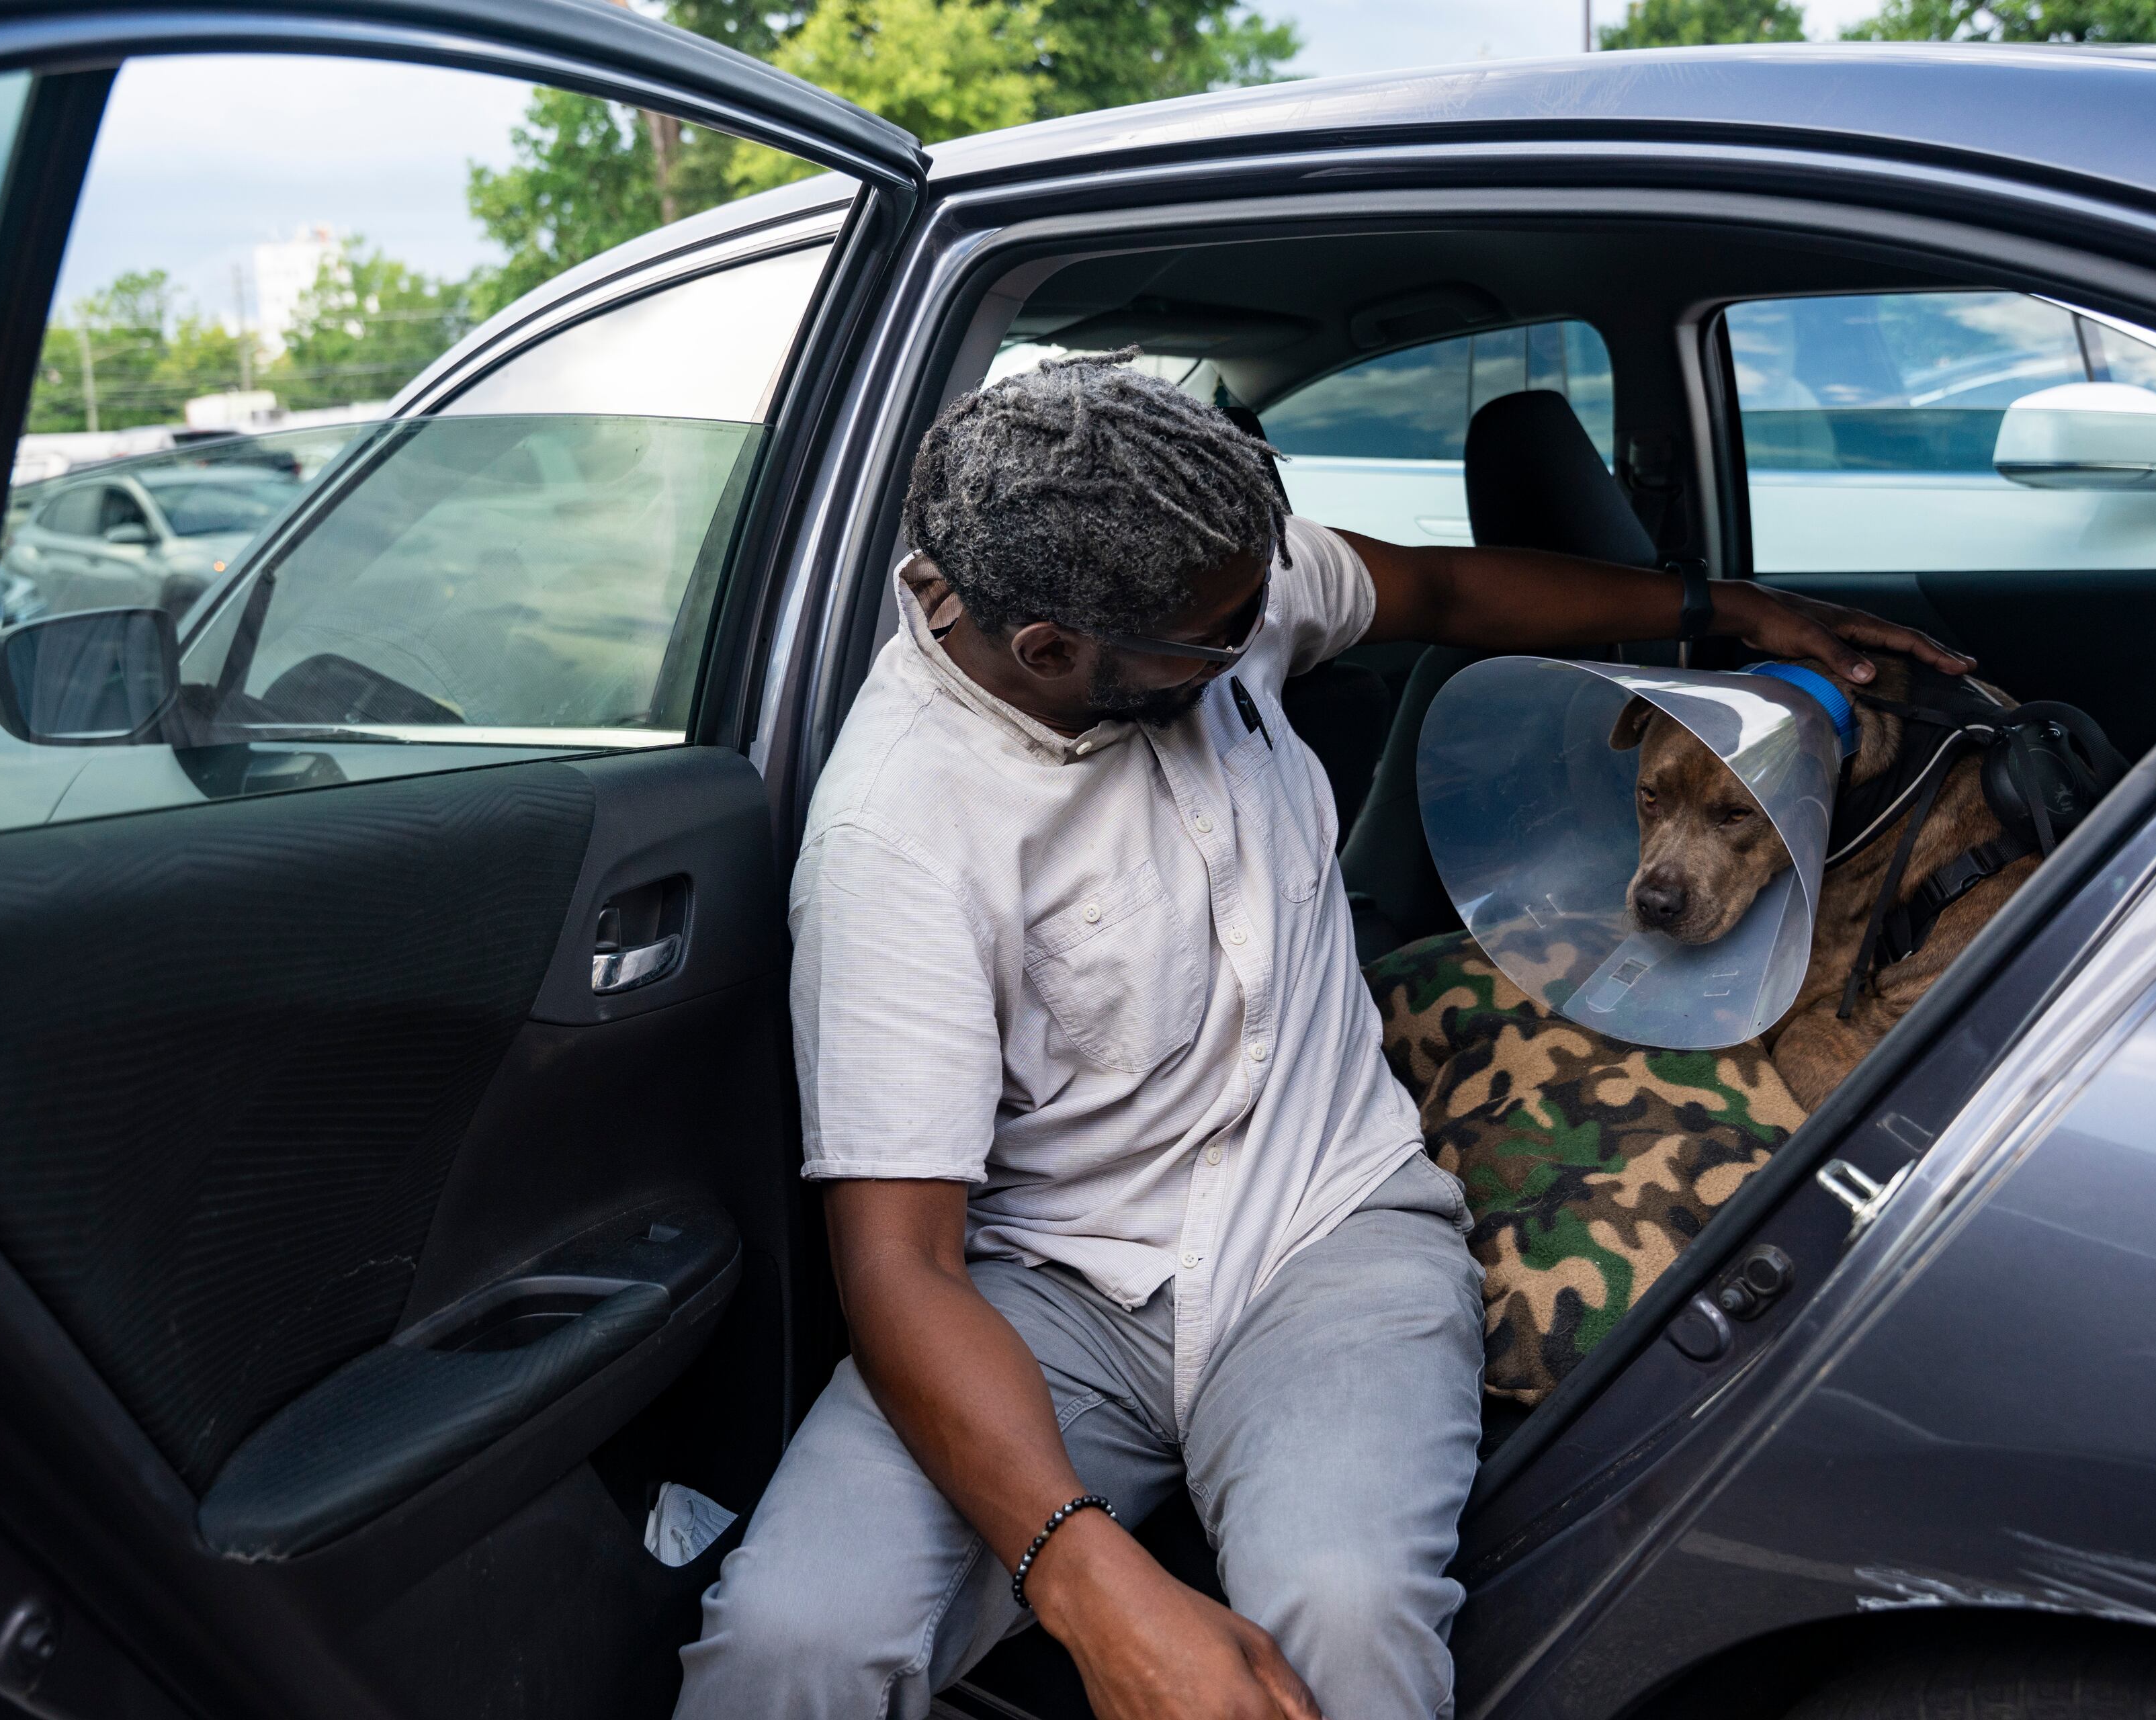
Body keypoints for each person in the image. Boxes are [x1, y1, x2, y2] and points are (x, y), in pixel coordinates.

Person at [673, 353, 1969, 1720]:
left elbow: (1447, 590)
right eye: (1226, 625)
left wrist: (1725, 605)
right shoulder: (898, 831)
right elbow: (901, 1264)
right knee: (788, 1648)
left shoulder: (1210, 576)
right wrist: (1084, 1572)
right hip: (1042, 1292)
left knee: (1352, 1627)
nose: (1271, 615)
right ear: (1054, 650)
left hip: (1327, 1228)